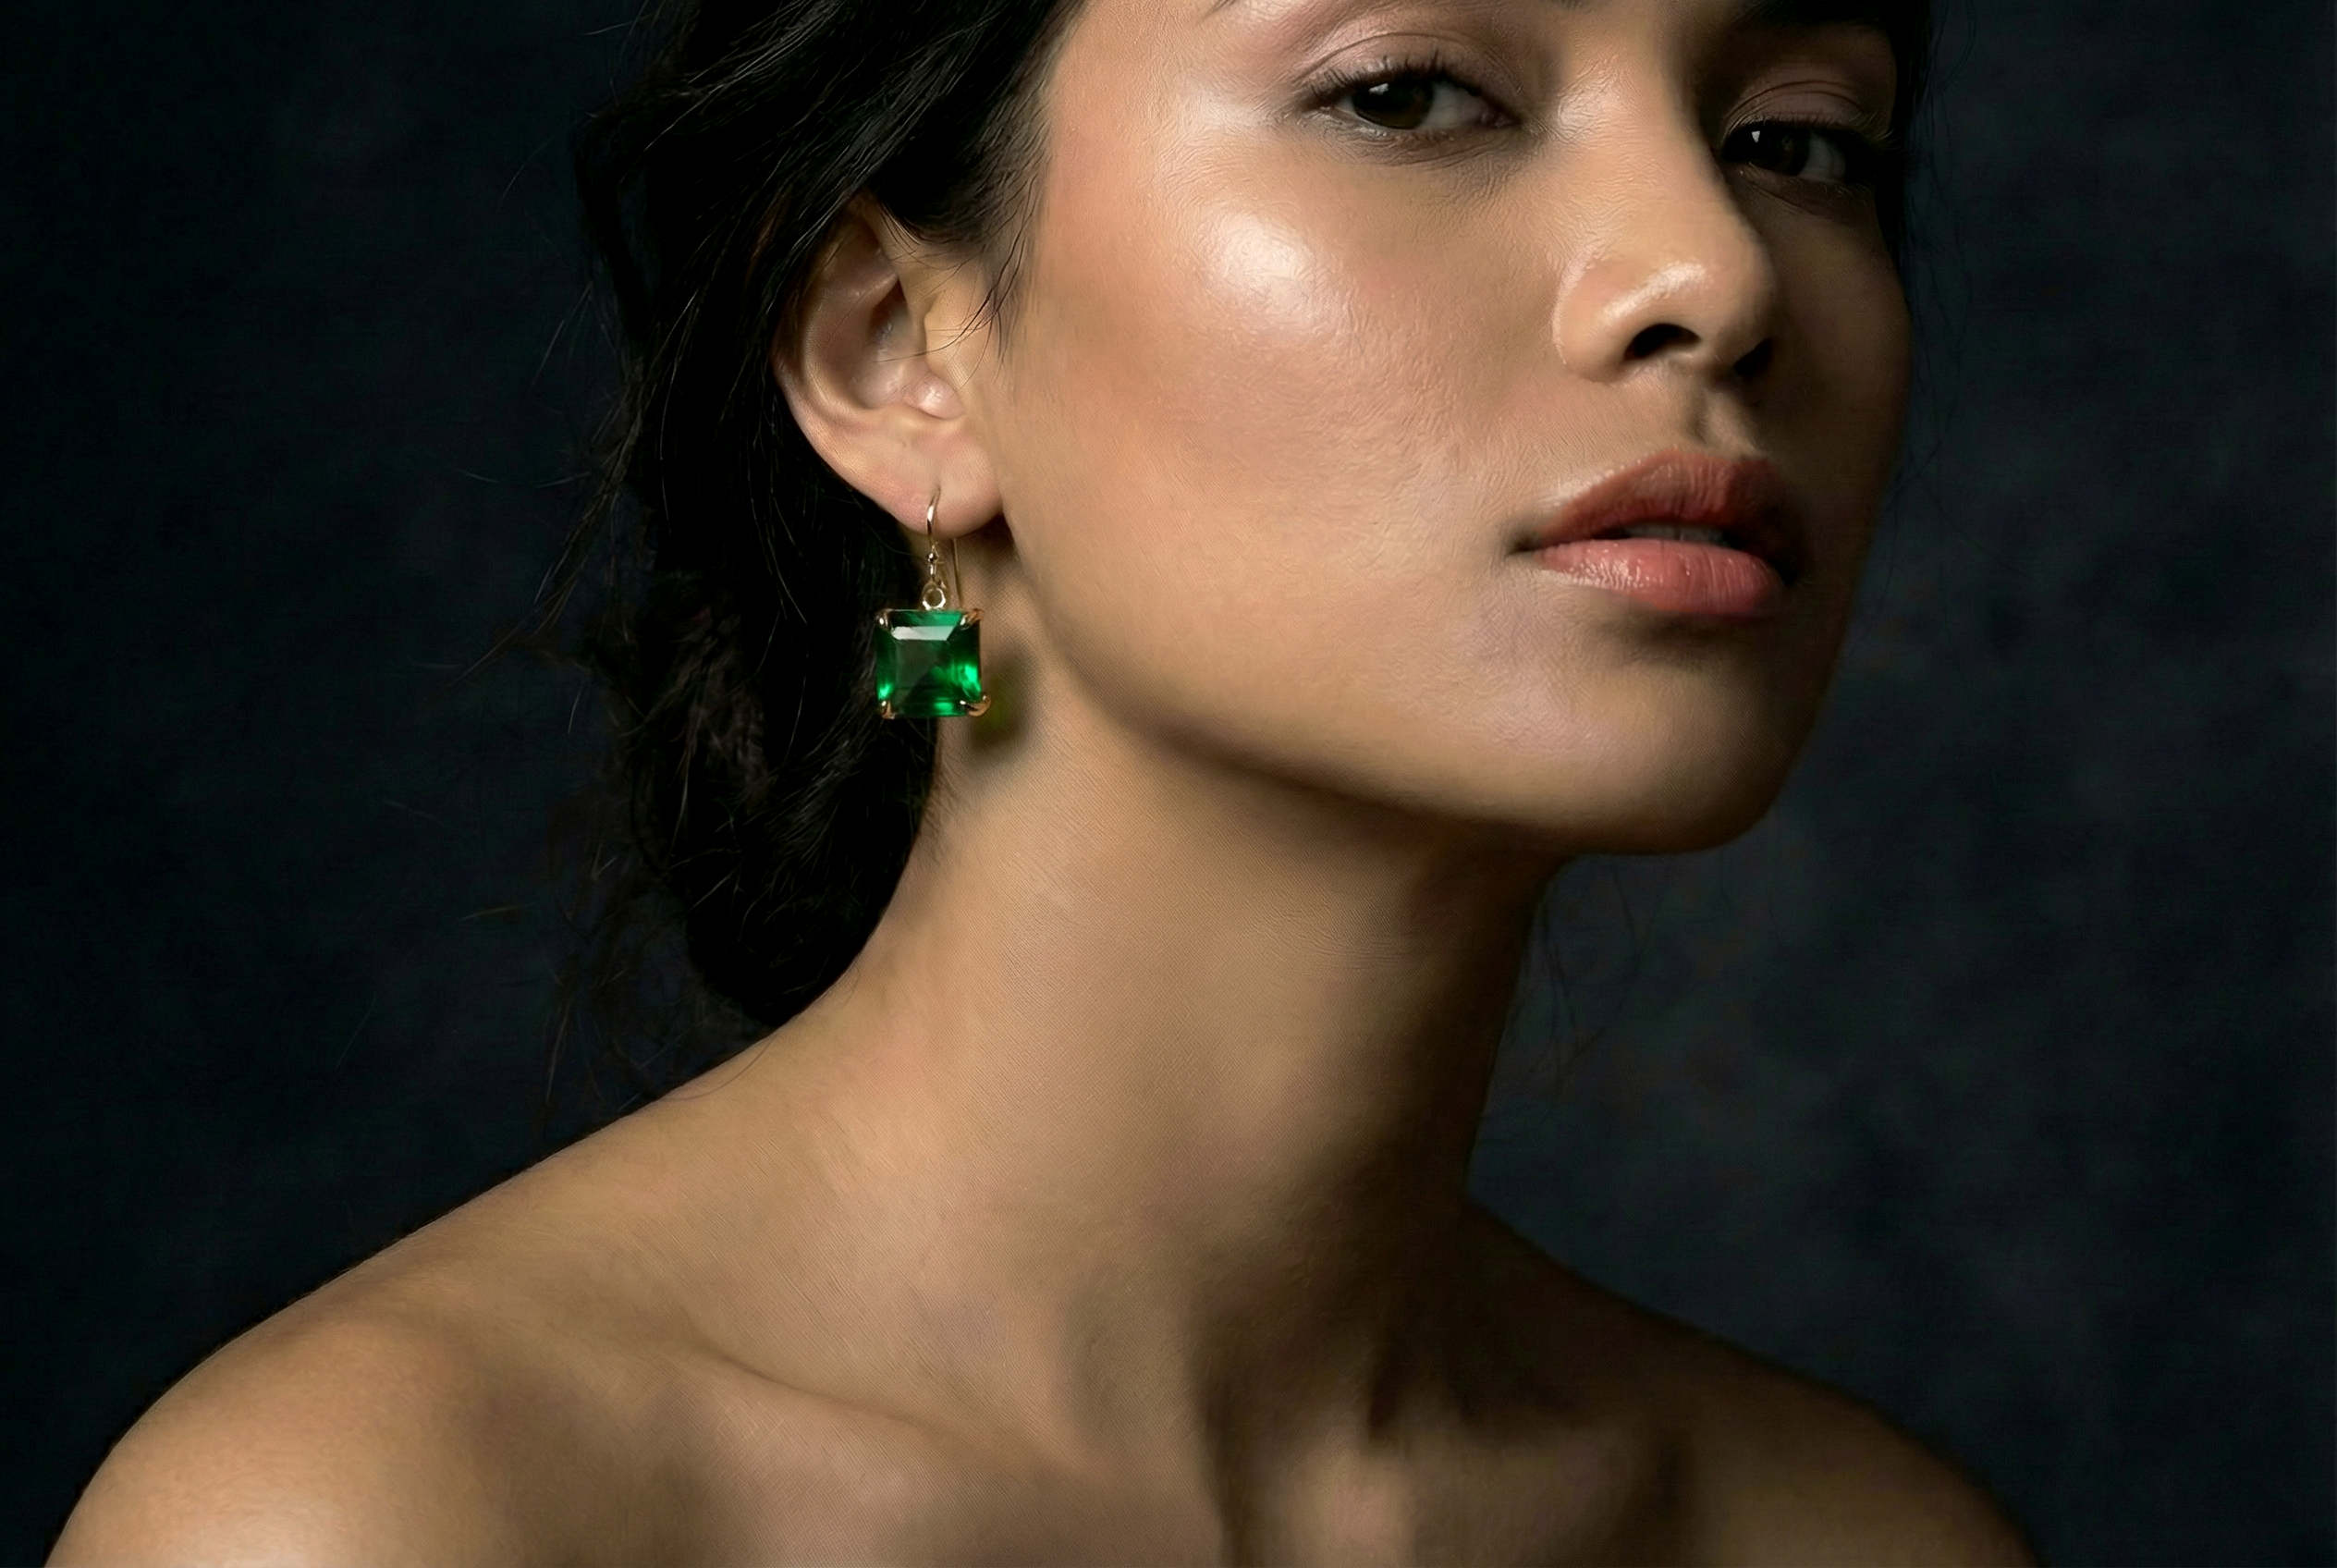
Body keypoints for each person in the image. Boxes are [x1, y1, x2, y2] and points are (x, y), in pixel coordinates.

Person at [54, 0, 2038, 1561]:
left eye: (1799, 139)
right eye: (1409, 95)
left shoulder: (1851, 1541)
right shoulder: (396, 1520)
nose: (1714, 269)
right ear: (895, 354)